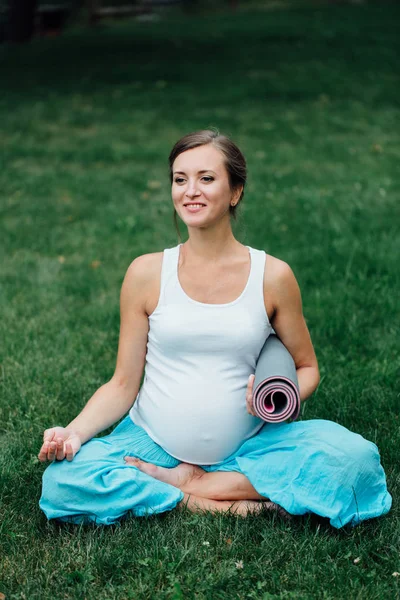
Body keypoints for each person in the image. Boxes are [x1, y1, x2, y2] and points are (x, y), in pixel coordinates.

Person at [38, 129, 392, 528]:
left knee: (355, 463)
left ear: (235, 191)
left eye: (206, 178)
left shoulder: (272, 276)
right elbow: (122, 384)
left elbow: (307, 368)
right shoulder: (146, 273)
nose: (191, 191)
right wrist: (73, 434)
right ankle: (204, 496)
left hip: (251, 446)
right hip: (153, 442)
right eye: (180, 179)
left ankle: (195, 484)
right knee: (62, 483)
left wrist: (273, 398)